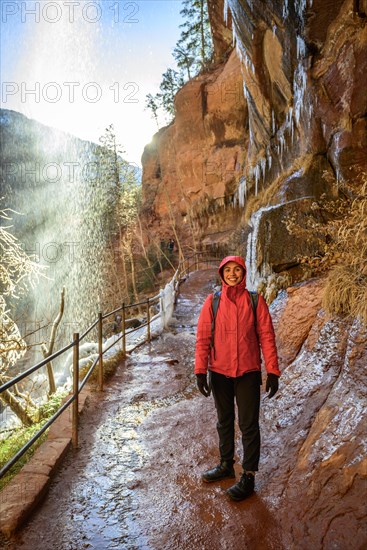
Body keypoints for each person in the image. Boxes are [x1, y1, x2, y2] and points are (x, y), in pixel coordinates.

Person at [194, 255, 280, 501]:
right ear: (222, 274)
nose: (232, 274)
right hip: (219, 371)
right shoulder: (213, 302)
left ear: (243, 272)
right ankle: (226, 465)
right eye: (228, 270)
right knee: (224, 420)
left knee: (248, 425)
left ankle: (249, 476)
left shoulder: (255, 300)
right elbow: (202, 339)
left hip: (248, 372)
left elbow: (267, 337)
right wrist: (200, 371)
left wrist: (273, 370)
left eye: (237, 270)